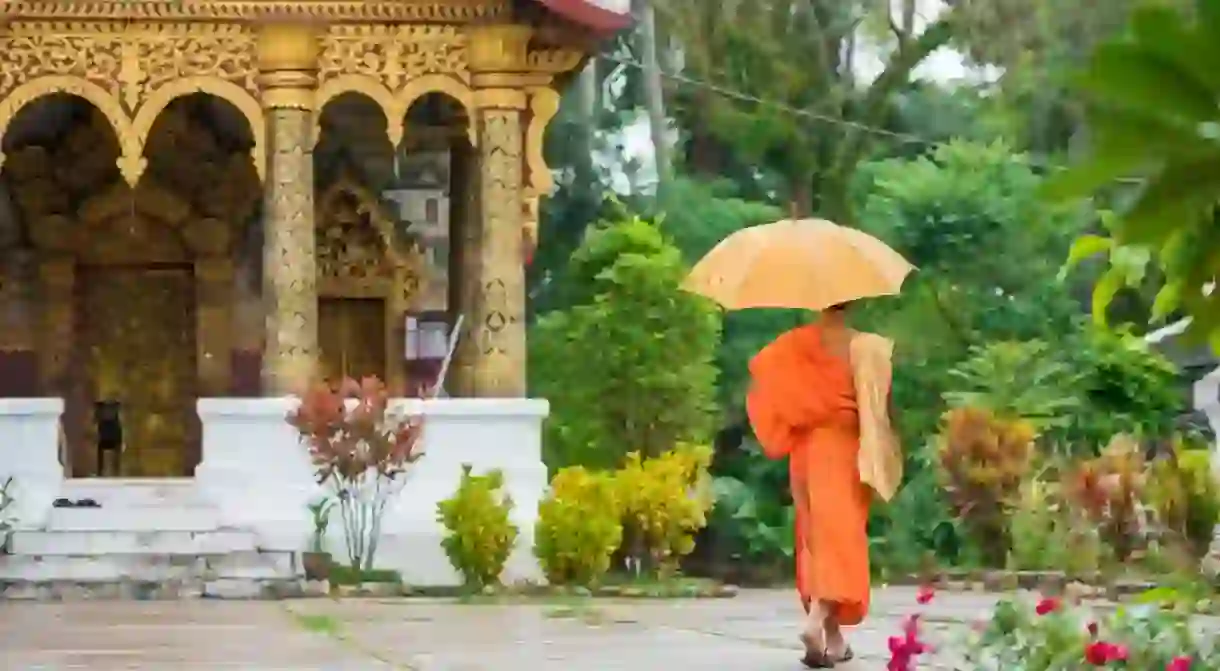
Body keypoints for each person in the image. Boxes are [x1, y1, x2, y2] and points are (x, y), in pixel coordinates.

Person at [745, 301, 900, 668]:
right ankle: (816, 621)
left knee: (816, 536)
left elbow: (767, 384)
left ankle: (834, 639)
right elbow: (877, 408)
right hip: (843, 448)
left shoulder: (796, 344)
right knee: (841, 537)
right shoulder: (864, 347)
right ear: (855, 300)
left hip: (806, 449)